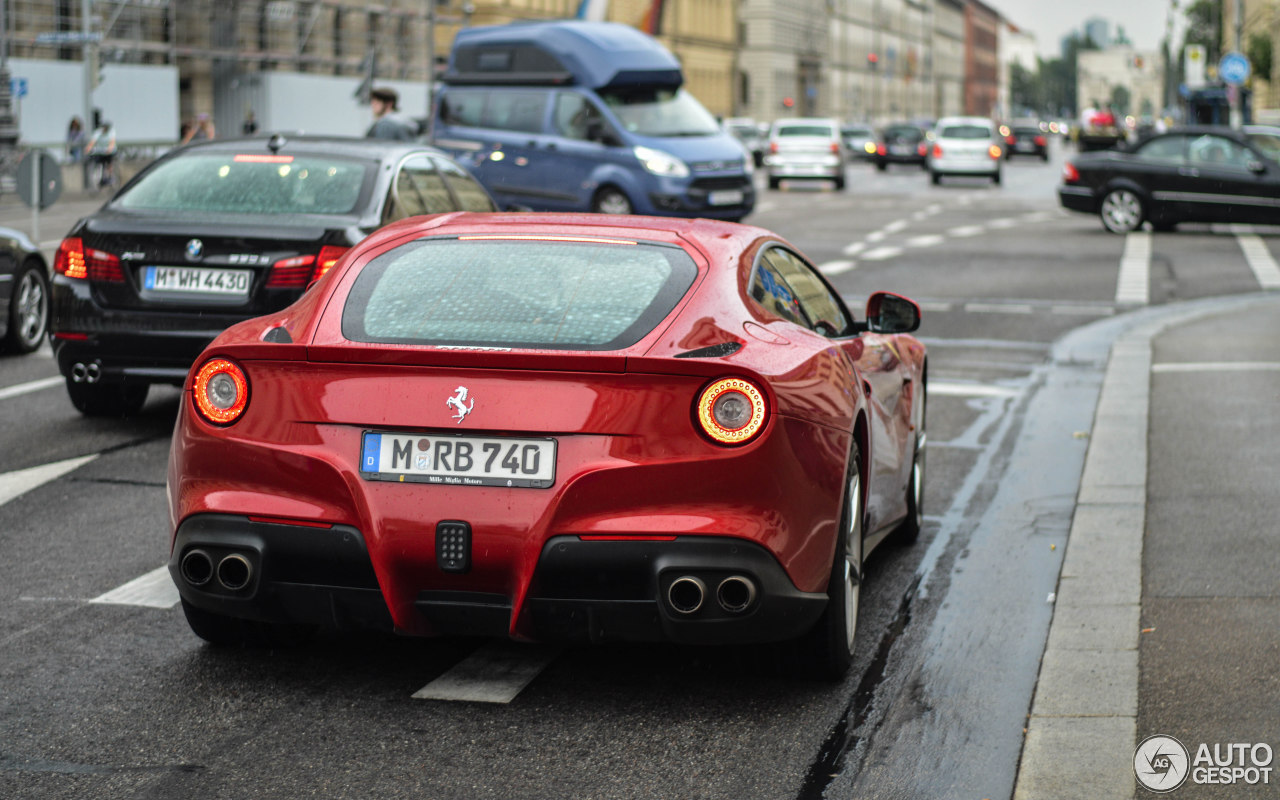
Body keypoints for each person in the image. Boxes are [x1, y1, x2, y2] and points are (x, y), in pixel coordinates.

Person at [85, 119, 118, 188]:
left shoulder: (111, 132)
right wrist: (88, 148)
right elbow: (93, 141)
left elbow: (112, 142)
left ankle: (110, 176)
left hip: (109, 152)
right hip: (100, 151)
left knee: (109, 163)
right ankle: (100, 178)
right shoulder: (98, 132)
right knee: (99, 163)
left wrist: (110, 148)